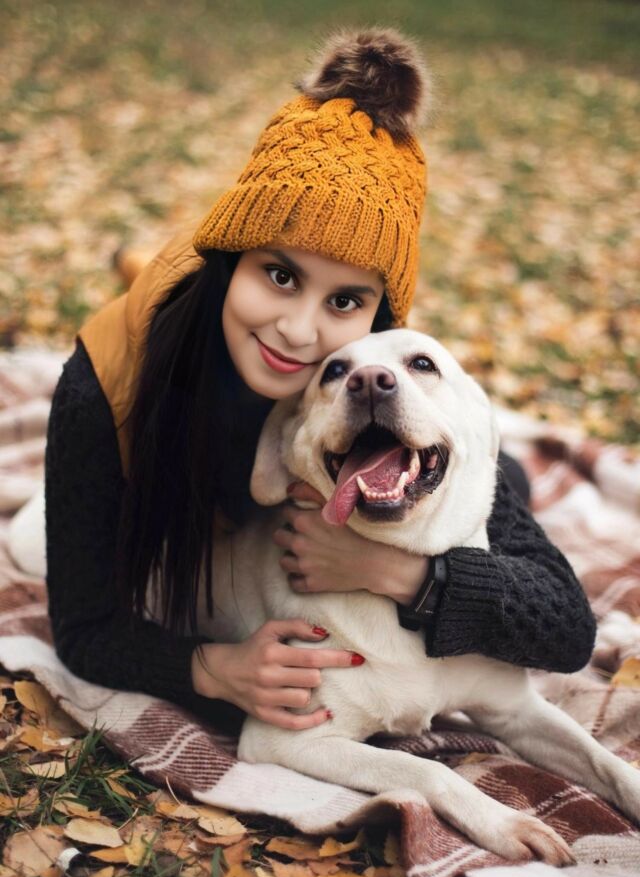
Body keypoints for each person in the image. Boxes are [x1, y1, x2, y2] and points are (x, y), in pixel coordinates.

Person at [44, 27, 596, 736]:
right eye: (279, 274)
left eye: (345, 301)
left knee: (508, 477)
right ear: (230, 263)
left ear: (379, 318)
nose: (300, 332)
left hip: (336, 443)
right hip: (189, 406)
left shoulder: (365, 380)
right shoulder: (104, 389)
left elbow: (565, 630)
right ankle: (147, 272)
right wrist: (211, 668)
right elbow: (84, 628)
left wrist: (394, 572)